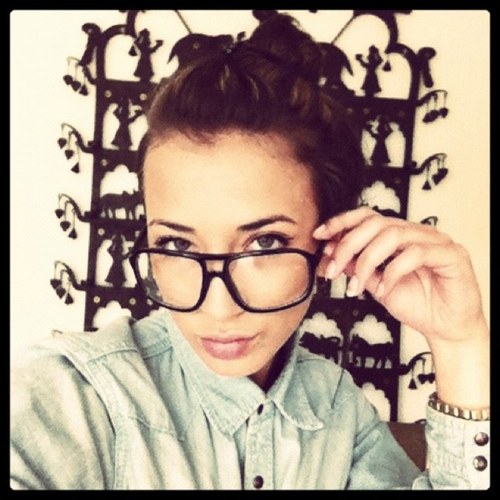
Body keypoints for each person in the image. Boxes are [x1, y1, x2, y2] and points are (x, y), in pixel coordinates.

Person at [10, 13, 489, 490]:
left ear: (329, 240)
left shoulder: (337, 411)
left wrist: (459, 342)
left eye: (265, 242)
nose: (218, 308)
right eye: (177, 244)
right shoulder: (74, 396)